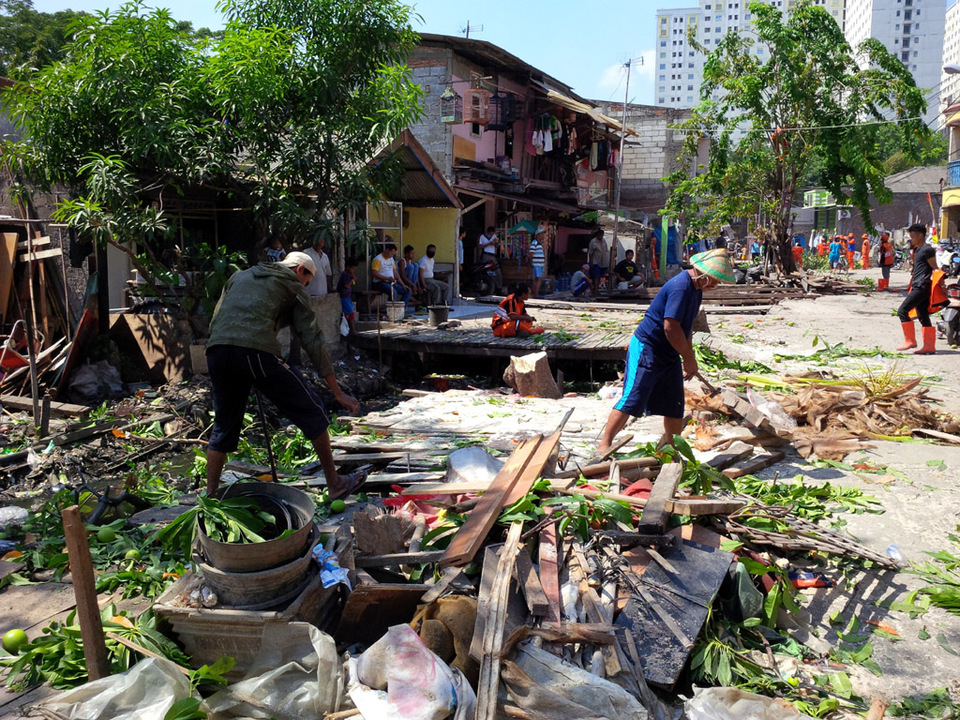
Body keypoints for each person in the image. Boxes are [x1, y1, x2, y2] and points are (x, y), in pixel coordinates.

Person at [204, 251, 364, 498]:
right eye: (307, 282)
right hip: (255, 352)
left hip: (216, 352)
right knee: (314, 411)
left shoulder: (240, 275)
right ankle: (335, 484)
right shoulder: (292, 285)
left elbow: (218, 317)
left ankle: (211, 496)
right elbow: (312, 339)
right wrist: (337, 392)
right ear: (301, 270)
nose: (305, 287)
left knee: (223, 426)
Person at [597, 249, 736, 454]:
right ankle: (604, 445)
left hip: (669, 351)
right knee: (632, 398)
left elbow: (684, 328)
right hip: (648, 347)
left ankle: (672, 450)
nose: (715, 285)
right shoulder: (681, 287)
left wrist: (690, 357)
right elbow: (670, 327)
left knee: (674, 403)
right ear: (703, 273)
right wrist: (687, 358)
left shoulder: (696, 290)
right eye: (714, 280)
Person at [896, 223, 938, 354]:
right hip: (918, 285)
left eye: (913, 236)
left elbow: (934, 267)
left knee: (902, 311)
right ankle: (929, 347)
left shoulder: (927, 249)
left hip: (922, 286)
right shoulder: (918, 249)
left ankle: (910, 341)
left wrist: (940, 284)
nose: (911, 238)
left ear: (920, 236)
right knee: (922, 315)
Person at [477, 226, 502, 293]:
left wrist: (496, 243)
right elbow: (479, 246)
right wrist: (489, 244)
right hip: (486, 255)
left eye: (493, 233)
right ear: (488, 232)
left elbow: (497, 245)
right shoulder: (482, 237)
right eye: (491, 233)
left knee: (497, 272)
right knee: (486, 271)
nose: (492, 234)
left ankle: (499, 288)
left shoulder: (494, 236)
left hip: (493, 256)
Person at [337, 256, 358, 335]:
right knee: (349, 313)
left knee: (351, 312)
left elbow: (355, 278)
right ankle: (352, 331)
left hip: (347, 297)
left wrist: (353, 276)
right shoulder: (345, 274)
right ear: (348, 267)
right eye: (353, 269)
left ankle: (351, 330)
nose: (353, 271)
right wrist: (352, 280)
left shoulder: (348, 274)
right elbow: (347, 285)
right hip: (344, 297)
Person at [587, 229, 608, 293]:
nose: (601, 237)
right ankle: (595, 290)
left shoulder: (604, 241)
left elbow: (606, 250)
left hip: (603, 261)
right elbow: (590, 253)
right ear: (597, 235)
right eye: (600, 235)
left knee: (601, 276)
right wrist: (591, 263)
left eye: (602, 235)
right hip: (595, 261)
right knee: (596, 275)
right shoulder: (593, 242)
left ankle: (597, 289)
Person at [530, 227, 546, 298]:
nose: (543, 236)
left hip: (539, 264)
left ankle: (535, 294)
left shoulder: (539, 243)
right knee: (538, 279)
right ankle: (536, 295)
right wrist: (531, 262)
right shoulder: (535, 242)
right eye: (541, 234)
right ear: (538, 235)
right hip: (537, 264)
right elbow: (531, 253)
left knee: (537, 279)